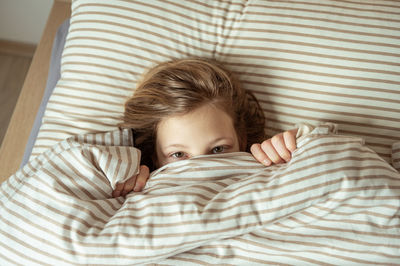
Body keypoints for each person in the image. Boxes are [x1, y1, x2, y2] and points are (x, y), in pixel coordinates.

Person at [112, 58, 297, 197]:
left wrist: (296, 145)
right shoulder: (143, 183)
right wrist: (126, 181)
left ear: (242, 140)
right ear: (155, 156)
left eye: (218, 149)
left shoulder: (267, 166)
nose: (202, 166)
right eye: (178, 154)